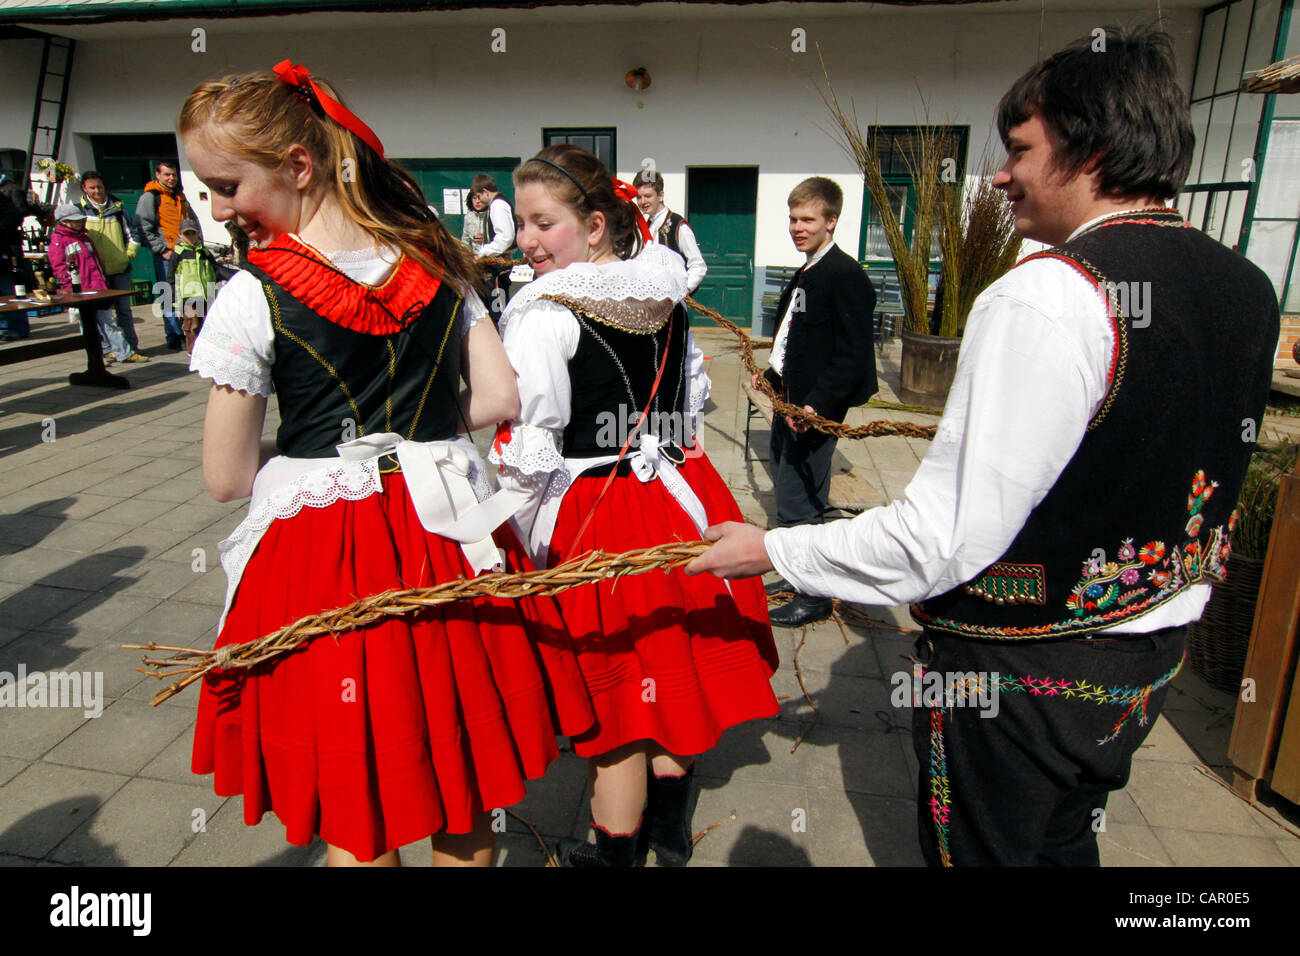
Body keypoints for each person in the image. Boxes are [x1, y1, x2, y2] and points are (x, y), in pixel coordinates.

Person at [690, 26, 1280, 867]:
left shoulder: (1048, 292)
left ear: (1091, 147)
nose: (999, 174)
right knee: (1065, 839)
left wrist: (776, 547)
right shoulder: (1245, 284)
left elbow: (942, 537)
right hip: (1151, 656)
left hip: (1023, 671)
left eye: (1021, 149)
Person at [179, 61, 594, 867]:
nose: (221, 210)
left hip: (330, 555)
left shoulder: (252, 294)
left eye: (227, 186)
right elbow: (502, 395)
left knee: (359, 790)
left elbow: (227, 478)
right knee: (460, 780)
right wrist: (423, 437)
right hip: (450, 536)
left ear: (299, 166)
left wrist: (316, 455)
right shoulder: (437, 263)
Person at [493, 144, 779, 867]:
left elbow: (533, 447)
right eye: (522, 222)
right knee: (672, 677)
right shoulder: (668, 298)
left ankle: (615, 856)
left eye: (542, 222)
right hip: (684, 500)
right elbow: (691, 407)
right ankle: (670, 836)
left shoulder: (544, 313)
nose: (525, 240)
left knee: (618, 712)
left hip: (601, 517)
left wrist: (515, 538)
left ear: (594, 226)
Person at [755, 177, 877, 628]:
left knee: (801, 500)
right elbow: (794, 334)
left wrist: (817, 406)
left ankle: (814, 596)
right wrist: (771, 374)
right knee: (787, 490)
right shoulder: (809, 270)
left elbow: (852, 356)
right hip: (791, 399)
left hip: (813, 410)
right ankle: (793, 573)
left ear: (832, 221)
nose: (797, 227)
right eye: (793, 218)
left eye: (808, 219)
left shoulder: (845, 276)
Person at [46, 203, 135, 363]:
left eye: (80, 219)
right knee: (87, 325)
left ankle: (123, 352)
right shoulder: (59, 241)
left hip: (97, 288)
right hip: (79, 291)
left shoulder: (85, 237)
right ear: (63, 222)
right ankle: (99, 355)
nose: (79, 223)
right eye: (74, 220)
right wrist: (69, 288)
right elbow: (59, 267)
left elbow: (96, 262)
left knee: (108, 321)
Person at [78, 170, 147, 362]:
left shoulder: (117, 207)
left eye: (99, 186)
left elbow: (133, 233)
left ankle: (132, 346)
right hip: (96, 272)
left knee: (124, 310)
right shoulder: (80, 210)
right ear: (84, 188)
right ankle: (107, 348)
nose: (97, 191)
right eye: (92, 187)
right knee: (102, 314)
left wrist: (129, 254)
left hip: (120, 267)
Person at [135, 160, 196, 350]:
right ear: (158, 175)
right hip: (167, 255)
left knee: (188, 293)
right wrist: (162, 250)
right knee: (168, 294)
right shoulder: (150, 197)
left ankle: (189, 330)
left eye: (174, 175)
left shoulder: (179, 196)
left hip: (186, 253)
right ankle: (172, 333)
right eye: (167, 174)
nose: (171, 178)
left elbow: (193, 222)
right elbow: (144, 228)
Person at [632, 168, 706, 294]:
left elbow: (698, 265)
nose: (643, 202)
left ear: (660, 196)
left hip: (673, 305)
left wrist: (684, 291)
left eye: (648, 196)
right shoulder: (646, 226)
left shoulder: (678, 225)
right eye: (639, 197)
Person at [167, 218, 222, 352]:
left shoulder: (205, 253)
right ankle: (192, 351)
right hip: (188, 297)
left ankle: (207, 350)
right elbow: (171, 277)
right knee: (191, 324)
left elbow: (215, 272)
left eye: (193, 233)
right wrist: (174, 298)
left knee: (206, 323)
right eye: (187, 234)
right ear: (180, 235)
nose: (190, 237)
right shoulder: (177, 254)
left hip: (205, 295)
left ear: (198, 234)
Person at [470, 174, 515, 325]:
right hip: (495, 263)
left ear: (485, 191)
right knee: (491, 304)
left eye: (478, 196)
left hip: (497, 265)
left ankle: (504, 338)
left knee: (499, 308)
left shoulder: (497, 205)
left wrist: (482, 252)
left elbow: (505, 237)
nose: (478, 200)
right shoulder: (496, 205)